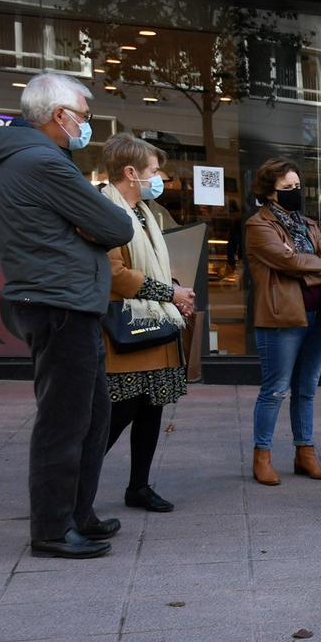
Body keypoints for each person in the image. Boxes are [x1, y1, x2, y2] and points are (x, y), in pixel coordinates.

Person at [0, 73, 134, 559]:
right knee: (65, 421)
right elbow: (115, 224)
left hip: (62, 298)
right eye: (84, 117)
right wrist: (87, 230)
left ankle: (77, 514)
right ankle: (51, 527)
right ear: (58, 115)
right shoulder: (42, 161)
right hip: (60, 301)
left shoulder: (28, 158)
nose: (86, 126)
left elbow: (100, 227)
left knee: (92, 415)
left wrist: (84, 229)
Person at [97, 134, 195, 513]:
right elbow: (115, 274)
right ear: (131, 172)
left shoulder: (144, 212)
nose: (160, 178)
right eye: (154, 171)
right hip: (126, 327)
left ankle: (138, 486)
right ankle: (75, 486)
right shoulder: (107, 212)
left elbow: (150, 263)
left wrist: (174, 289)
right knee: (118, 414)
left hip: (153, 323)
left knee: (151, 410)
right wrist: (169, 294)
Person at [243, 159, 321, 486]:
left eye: (297, 187)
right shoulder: (259, 225)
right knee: (276, 389)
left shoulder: (307, 224)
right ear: (270, 193)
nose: (295, 193)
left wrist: (307, 265)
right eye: (288, 188)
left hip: (317, 315)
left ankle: (305, 452)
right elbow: (285, 260)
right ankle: (262, 455)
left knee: (307, 388)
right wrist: (313, 265)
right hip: (281, 316)